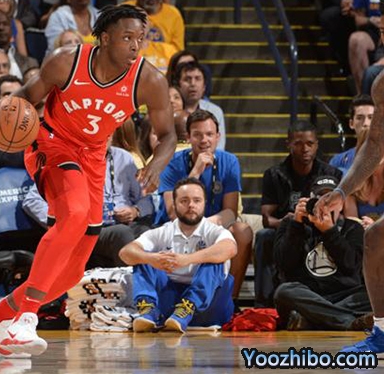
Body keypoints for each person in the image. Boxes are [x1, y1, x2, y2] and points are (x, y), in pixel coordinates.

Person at [0, 4, 176, 356]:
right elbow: (25, 99)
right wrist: (1, 116)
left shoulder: (149, 80)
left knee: (71, 272)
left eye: (140, 38)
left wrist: (156, 164)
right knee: (75, 213)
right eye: (127, 37)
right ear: (105, 38)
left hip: (93, 157)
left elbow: (168, 134)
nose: (135, 45)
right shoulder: (66, 61)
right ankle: (27, 317)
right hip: (52, 143)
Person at [314, 68, 384, 352]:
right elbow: (375, 144)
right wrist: (342, 191)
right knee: (375, 238)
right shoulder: (382, 84)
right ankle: (382, 332)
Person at [156, 109, 253, 302]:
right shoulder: (172, 162)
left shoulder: (229, 161)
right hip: (175, 227)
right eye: (197, 135)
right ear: (188, 137)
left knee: (242, 232)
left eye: (209, 134)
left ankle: (229, 300)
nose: (204, 140)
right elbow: (173, 212)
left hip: (212, 224)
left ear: (218, 137)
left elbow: (230, 212)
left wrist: (205, 227)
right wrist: (195, 172)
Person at [120, 177, 236, 333]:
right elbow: (125, 252)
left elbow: (230, 248)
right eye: (184, 201)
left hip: (208, 308)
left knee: (215, 259)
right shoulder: (163, 231)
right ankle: (148, 311)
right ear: (174, 205)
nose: (191, 205)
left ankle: (187, 308)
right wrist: (152, 258)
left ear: (204, 204)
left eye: (197, 200)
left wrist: (187, 259)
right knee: (142, 256)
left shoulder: (214, 230)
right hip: (169, 306)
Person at [23, 144, 155, 268]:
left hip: (125, 222)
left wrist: (135, 210)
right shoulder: (67, 160)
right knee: (121, 233)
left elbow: (145, 198)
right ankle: (131, 283)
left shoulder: (123, 157)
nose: (105, 137)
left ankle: (151, 283)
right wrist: (64, 223)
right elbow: (32, 200)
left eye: (109, 134)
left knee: (147, 233)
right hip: (90, 230)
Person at [256, 120, 342, 307]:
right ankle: (263, 304)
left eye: (310, 143)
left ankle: (338, 297)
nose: (305, 149)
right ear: (288, 144)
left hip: (322, 229)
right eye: (298, 143)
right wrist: (288, 221)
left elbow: (340, 213)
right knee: (264, 236)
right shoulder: (274, 174)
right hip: (288, 232)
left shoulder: (331, 173)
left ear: (317, 144)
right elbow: (266, 219)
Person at [274, 175, 371, 331]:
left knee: (375, 292)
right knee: (283, 291)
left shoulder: (353, 228)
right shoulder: (292, 224)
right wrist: (296, 225)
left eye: (329, 200)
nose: (324, 206)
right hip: (306, 296)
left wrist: (330, 232)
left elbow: (352, 266)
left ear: (340, 204)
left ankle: (310, 319)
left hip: (343, 295)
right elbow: (284, 265)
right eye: (319, 199)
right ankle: (347, 321)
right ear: (309, 201)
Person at [176, 62, 225, 150]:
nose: (193, 84)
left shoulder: (215, 111)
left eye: (197, 79)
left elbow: (219, 147)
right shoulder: (170, 109)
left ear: (204, 87)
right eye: (187, 79)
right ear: (179, 85)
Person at [329, 94, 375, 174]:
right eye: (359, 118)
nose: (366, 123)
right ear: (351, 124)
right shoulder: (338, 161)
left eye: (371, 117)